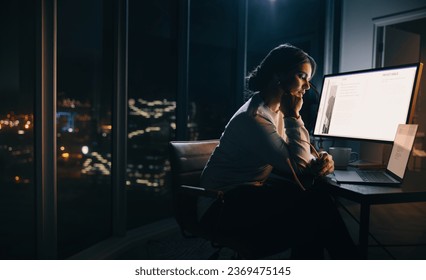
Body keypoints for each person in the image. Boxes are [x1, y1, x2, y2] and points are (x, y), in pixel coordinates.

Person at [198, 43, 359, 259]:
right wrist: (294, 115)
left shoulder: (276, 112)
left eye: (309, 79)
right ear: (278, 75)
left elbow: (303, 158)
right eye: (302, 76)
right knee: (314, 207)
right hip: (220, 206)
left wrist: (322, 159)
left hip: (248, 194)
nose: (307, 87)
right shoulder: (254, 118)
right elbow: (300, 167)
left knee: (314, 206)